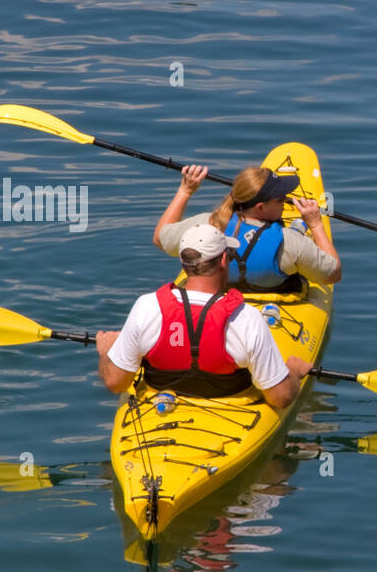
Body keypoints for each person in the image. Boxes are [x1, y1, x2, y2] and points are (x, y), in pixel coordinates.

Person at [97, 224, 311, 406]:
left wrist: (108, 352)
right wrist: (292, 371)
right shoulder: (246, 318)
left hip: (161, 401)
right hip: (231, 406)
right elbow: (281, 397)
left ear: (183, 263)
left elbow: (116, 383)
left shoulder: (146, 307)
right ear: (224, 261)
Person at [152, 164, 341, 289]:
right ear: (261, 207)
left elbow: (160, 239)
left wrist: (185, 191)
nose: (285, 203)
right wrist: (316, 224)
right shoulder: (289, 241)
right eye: (281, 199)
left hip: (217, 300)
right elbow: (333, 274)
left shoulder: (205, 225)